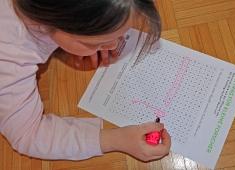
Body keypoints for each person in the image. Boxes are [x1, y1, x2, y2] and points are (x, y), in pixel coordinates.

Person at [0, 0, 171, 162]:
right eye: (99, 42)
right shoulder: (8, 56)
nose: (113, 46)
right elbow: (28, 134)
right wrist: (115, 140)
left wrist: (83, 41)